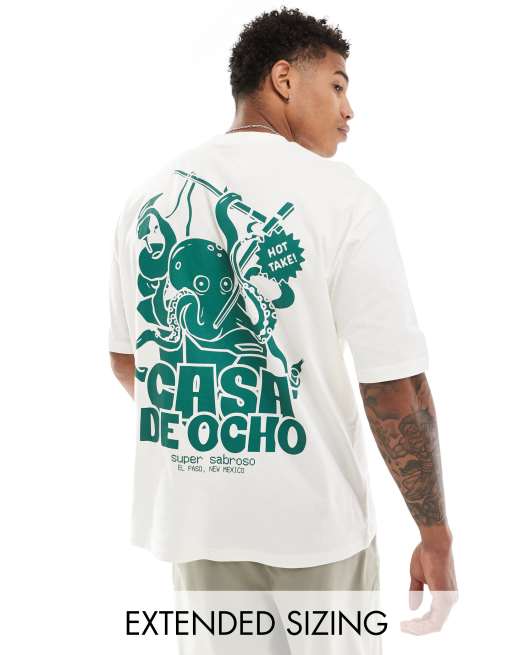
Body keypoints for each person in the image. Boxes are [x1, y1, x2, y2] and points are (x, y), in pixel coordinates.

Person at [108, 6, 457, 651]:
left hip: (198, 524)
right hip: (315, 530)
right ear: (284, 79)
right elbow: (395, 390)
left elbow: (129, 358)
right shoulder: (345, 200)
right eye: (338, 85)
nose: (349, 110)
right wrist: (435, 536)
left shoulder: (146, 196)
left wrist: (218, 426)